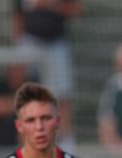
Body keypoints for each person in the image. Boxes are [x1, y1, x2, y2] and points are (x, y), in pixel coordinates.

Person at [15, 0, 82, 145]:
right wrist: (17, 45)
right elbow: (18, 16)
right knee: (25, 95)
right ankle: (25, 144)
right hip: (29, 41)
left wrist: (50, 5)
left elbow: (75, 10)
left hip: (56, 44)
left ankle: (67, 147)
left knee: (62, 96)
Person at [0, 64, 30, 148]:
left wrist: (7, 105)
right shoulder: (0, 85)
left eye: (19, 69)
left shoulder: (30, 85)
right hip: (1, 135)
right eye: (13, 69)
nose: (16, 73)